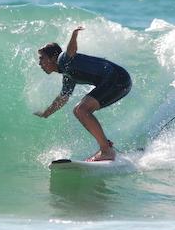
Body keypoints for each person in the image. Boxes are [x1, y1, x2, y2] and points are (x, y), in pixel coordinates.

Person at [34, 26, 132, 161]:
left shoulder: (63, 60)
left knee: (81, 110)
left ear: (53, 57)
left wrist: (74, 35)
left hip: (116, 78)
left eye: (42, 58)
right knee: (80, 111)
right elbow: (63, 98)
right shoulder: (68, 75)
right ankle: (106, 146)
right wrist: (46, 113)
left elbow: (71, 51)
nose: (39, 63)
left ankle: (106, 150)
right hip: (120, 82)